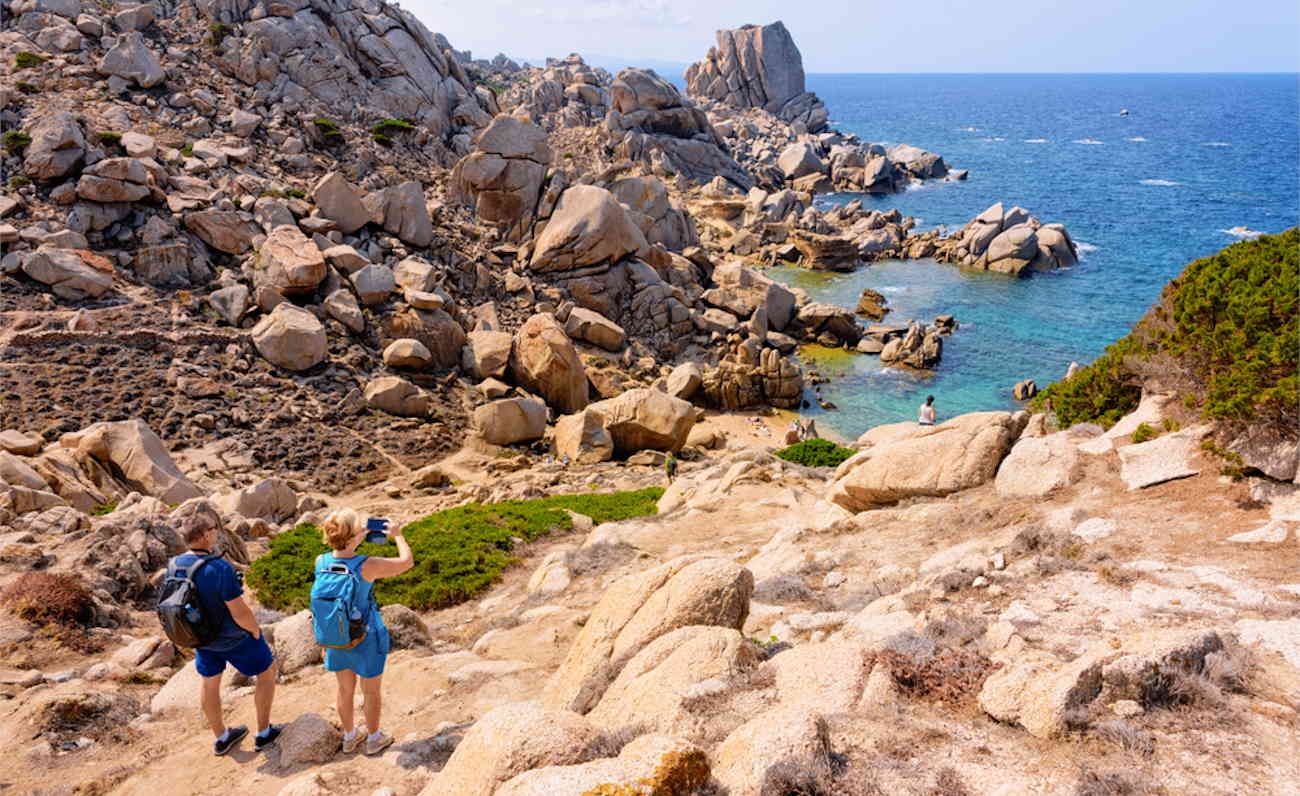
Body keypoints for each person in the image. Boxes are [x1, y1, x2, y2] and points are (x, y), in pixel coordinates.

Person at [170, 514, 281, 756]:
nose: (217, 532)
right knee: (266, 672)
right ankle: (264, 733)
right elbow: (239, 612)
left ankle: (221, 738)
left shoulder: (175, 564)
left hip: (201, 638)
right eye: (214, 528)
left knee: (210, 683)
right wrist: (255, 631)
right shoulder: (219, 568)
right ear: (205, 535)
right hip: (233, 638)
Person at [317, 509, 414, 756]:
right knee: (370, 691)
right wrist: (397, 535)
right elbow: (407, 562)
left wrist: (358, 535)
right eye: (360, 527)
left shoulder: (321, 561)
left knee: (344, 690)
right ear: (354, 536)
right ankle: (373, 738)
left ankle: (349, 738)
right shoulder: (368, 565)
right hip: (365, 637)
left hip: (336, 638)